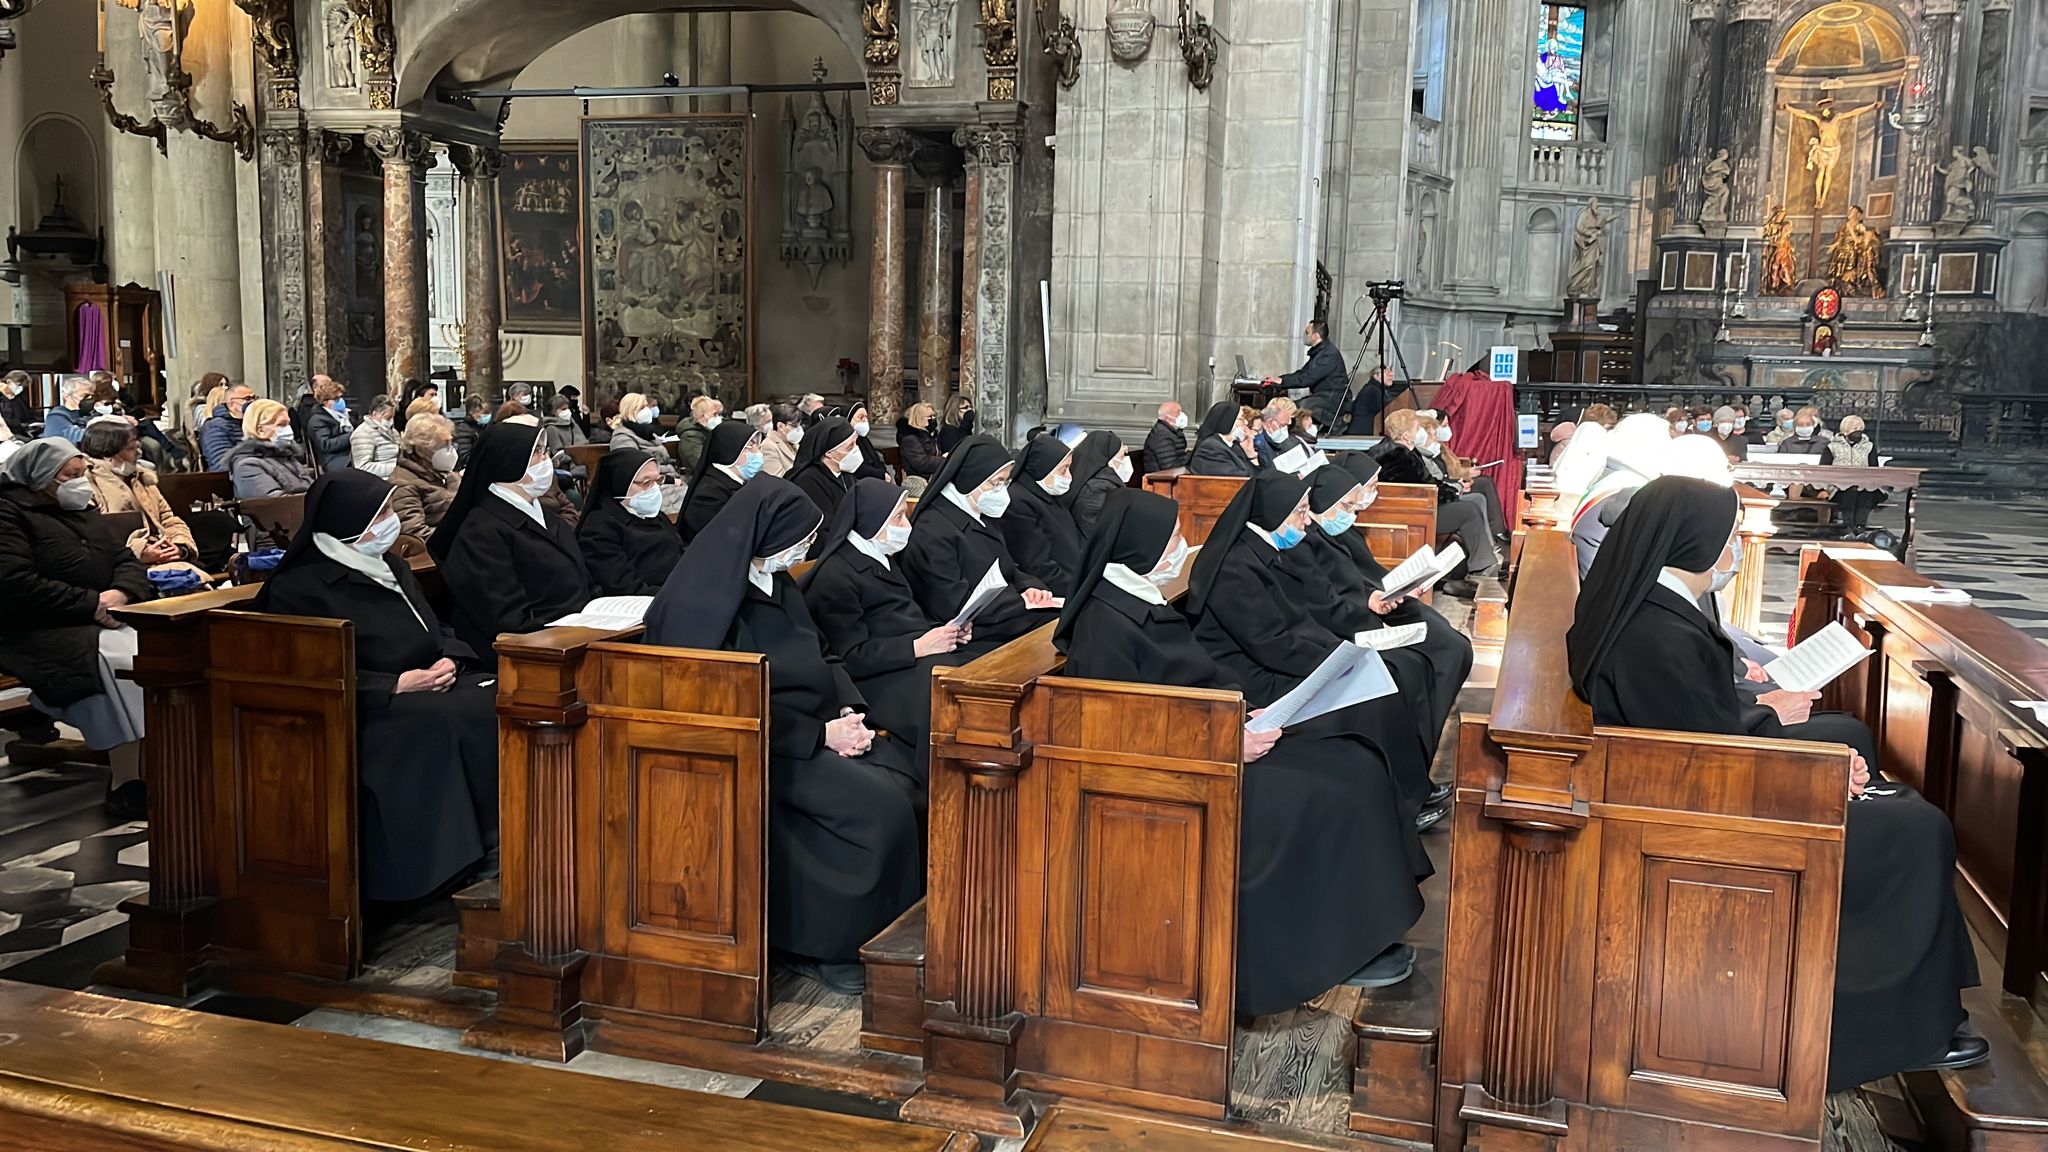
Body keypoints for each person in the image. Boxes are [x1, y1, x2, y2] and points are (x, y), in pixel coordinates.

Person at [1566, 475, 1987, 1090]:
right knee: (1917, 830)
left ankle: (1919, 1007)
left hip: (1682, 783)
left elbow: (1692, 722)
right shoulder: (1654, 632)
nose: (1734, 546)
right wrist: (1798, 754)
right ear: (1692, 543)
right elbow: (1704, 751)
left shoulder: (1649, 605)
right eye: (1727, 536)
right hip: (1697, 815)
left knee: (1854, 747)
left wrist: (1767, 716)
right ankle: (1894, 1029)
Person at [1057, 488, 1428, 1006]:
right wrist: (1229, 740)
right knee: (1325, 792)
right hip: (1192, 771)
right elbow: (1126, 728)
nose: (1181, 548)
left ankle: (1363, 927)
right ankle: (1328, 951)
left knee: (1355, 759)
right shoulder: (1104, 626)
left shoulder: (1134, 596)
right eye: (1170, 541)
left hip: (1223, 733)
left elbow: (1194, 681)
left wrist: (1243, 710)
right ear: (1138, 549)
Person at [644, 479, 924, 994]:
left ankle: (893, 933)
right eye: (796, 540)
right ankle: (824, 946)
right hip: (767, 743)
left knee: (911, 778)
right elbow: (726, 700)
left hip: (822, 725)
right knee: (877, 810)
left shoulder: (779, 583)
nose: (804, 551)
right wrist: (821, 734)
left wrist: (849, 709)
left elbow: (826, 655)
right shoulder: (707, 604)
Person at [252, 471, 499, 902]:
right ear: (349, 520)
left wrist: (450, 656)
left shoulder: (393, 565)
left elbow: (434, 625)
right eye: (381, 512)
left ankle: (501, 836)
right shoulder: (302, 587)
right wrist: (394, 686)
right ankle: (449, 862)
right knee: (444, 720)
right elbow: (307, 671)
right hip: (364, 706)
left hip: (430, 681)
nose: (391, 522)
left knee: (496, 697)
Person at [1181, 474, 1438, 825]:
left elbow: (1299, 620)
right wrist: (1336, 663)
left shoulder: (1268, 551)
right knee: (1370, 700)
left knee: (1384, 680)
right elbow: (1271, 644)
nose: (1306, 519)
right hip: (1254, 676)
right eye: (1300, 512)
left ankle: (1412, 794)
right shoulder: (1235, 567)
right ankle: (1402, 808)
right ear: (1275, 514)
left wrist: (1343, 653)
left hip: (1280, 659)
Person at [0, 438, 153, 813]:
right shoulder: (8, 513)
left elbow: (124, 559)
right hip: (35, 628)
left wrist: (121, 594)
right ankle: (127, 778)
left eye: (81, 474)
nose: (79, 483)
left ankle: (152, 764)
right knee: (120, 659)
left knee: (153, 648)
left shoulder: (81, 509)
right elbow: (13, 582)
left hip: (102, 616)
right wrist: (91, 604)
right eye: (69, 476)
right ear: (42, 477)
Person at [1286, 463, 1472, 771]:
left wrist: (1377, 597)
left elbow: (1353, 579)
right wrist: (1373, 609)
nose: (1353, 511)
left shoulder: (1332, 531)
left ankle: (1425, 746)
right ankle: (1418, 755)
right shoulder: (1306, 541)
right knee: (1430, 658)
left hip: (1371, 608)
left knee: (1452, 645)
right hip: (1353, 624)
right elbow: (1325, 601)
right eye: (1347, 505)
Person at [802, 478, 975, 769]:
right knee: (944, 697)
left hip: (907, 661)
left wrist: (946, 630)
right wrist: (916, 647)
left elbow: (904, 616)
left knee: (978, 671)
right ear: (873, 521)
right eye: (898, 517)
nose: (905, 525)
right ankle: (941, 786)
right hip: (875, 679)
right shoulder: (836, 576)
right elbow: (850, 656)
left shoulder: (881, 554)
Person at [430, 421, 593, 656]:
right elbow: (507, 619)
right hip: (532, 651)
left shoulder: (548, 517)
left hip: (577, 636)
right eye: (537, 452)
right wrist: (573, 633)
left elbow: (583, 581)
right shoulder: (481, 532)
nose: (546, 460)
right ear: (509, 461)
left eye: (545, 451)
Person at [903, 435, 1060, 646]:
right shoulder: (931, 531)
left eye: (1005, 482)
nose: (1002, 491)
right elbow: (953, 604)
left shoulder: (980, 511)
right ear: (970, 478)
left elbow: (1008, 567)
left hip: (1002, 614)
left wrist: (1030, 587)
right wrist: (1020, 602)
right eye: (995, 483)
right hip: (970, 633)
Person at [1375, 409, 1498, 589]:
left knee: (1471, 503)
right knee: (1469, 511)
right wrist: (1454, 489)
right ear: (1407, 435)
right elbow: (1429, 487)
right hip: (1414, 514)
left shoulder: (1392, 449)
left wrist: (1452, 489)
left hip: (1413, 506)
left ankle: (1471, 566)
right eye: (1417, 428)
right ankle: (1481, 568)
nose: (1421, 433)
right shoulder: (1400, 457)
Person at [79, 420, 204, 580]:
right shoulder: (88, 485)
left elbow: (168, 519)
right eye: (131, 449)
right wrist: (140, 553)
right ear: (107, 454)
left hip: (162, 554)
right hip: (124, 568)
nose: (138, 453)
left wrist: (180, 546)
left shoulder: (141, 478)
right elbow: (97, 538)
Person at [577, 449, 683, 596]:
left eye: (657, 481)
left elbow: (683, 553)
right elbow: (623, 586)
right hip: (650, 603)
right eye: (646, 483)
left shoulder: (655, 515)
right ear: (621, 483)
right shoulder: (599, 528)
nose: (655, 489)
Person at [1001, 435, 1085, 597]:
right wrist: (1079, 591)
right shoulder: (1018, 502)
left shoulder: (1048, 493)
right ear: (1044, 467)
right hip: (1054, 590)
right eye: (1063, 470)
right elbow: (1037, 564)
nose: (1068, 476)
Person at [1418, 411, 1507, 542]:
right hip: (1445, 488)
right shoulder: (1426, 452)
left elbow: (1451, 468)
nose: (1443, 431)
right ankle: (1493, 537)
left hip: (1451, 482)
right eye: (1442, 426)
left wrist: (1465, 474)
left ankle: (1495, 534)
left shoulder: (1439, 447)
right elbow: (1440, 476)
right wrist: (1460, 482)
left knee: (1485, 484)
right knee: (1479, 493)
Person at [680, 419, 764, 544]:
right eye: (750, 446)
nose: (757, 453)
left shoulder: (739, 482)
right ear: (731, 449)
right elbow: (719, 540)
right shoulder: (708, 495)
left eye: (758, 446)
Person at [1263, 319, 1349, 429]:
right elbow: (1303, 373)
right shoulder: (1321, 351)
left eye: (1307, 333)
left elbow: (1307, 378)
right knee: (1292, 405)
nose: (1305, 335)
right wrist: (1281, 379)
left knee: (1295, 408)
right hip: (1323, 395)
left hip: (1332, 397)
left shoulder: (1328, 354)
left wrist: (1282, 381)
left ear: (1315, 336)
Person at [389, 411, 461, 541]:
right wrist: (463, 536)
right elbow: (415, 535)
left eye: (450, 444)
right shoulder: (403, 483)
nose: (449, 451)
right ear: (420, 448)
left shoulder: (448, 474)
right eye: (442, 446)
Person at [224, 399, 315, 499]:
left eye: (288, 424)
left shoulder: (286, 457)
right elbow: (274, 503)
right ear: (260, 430)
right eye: (281, 425)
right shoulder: (248, 466)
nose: (288, 429)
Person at [788, 416, 863, 520]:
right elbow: (824, 526)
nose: (855, 450)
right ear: (829, 453)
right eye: (850, 447)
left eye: (856, 443)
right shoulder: (808, 481)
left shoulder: (844, 473)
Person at [1825, 414, 1886, 530]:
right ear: (1845, 430)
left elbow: (1874, 468)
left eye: (1860, 429)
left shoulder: (1869, 446)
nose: (1858, 432)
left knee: (1866, 493)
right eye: (1854, 429)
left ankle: (1860, 527)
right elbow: (1824, 468)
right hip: (1838, 486)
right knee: (1850, 491)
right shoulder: (1832, 447)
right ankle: (1848, 527)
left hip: (1863, 484)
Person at [1064, 430, 1132, 533]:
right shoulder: (1095, 490)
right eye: (1122, 457)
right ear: (1108, 461)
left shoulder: (1099, 483)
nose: (1124, 462)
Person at [1187, 402, 1258, 476]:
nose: (1246, 423)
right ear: (1228, 421)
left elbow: (1256, 474)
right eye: (1241, 419)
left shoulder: (1235, 446)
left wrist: (1251, 454)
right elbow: (1237, 477)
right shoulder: (1210, 447)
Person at [1341, 364, 1413, 436]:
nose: (1391, 374)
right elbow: (1384, 410)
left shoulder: (1374, 388)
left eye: (1390, 372)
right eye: (1386, 372)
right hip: (1362, 433)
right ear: (1376, 376)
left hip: (1364, 431)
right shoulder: (1372, 390)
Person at [199, 381, 256, 469]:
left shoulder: (254, 421)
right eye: (247, 399)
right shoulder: (215, 427)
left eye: (254, 398)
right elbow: (222, 463)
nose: (253, 402)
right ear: (232, 404)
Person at [307, 378, 354, 472]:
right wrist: (352, 436)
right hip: (335, 460)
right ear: (326, 402)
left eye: (341, 397)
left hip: (352, 453)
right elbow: (326, 445)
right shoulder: (318, 420)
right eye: (336, 399)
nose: (341, 401)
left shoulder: (347, 415)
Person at [349, 394, 402, 478]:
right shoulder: (362, 433)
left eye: (393, 417)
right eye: (388, 418)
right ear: (374, 414)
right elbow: (363, 468)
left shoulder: (394, 432)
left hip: (397, 476)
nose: (391, 421)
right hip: (379, 481)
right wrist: (396, 468)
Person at [896, 401, 944, 488]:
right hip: (920, 482)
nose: (933, 419)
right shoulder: (910, 439)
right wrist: (944, 460)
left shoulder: (929, 436)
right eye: (929, 417)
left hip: (933, 478)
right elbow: (921, 463)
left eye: (934, 416)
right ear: (918, 418)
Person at [674, 395, 723, 474]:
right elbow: (699, 464)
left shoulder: (709, 430)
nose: (718, 418)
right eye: (715, 414)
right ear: (703, 415)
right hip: (696, 479)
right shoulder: (690, 436)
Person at [42, 377, 95, 444]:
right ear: (67, 396)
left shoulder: (93, 414)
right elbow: (74, 437)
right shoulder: (56, 416)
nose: (90, 399)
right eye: (85, 396)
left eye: (91, 396)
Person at [1252, 398, 1302, 469]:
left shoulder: (1289, 441)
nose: (1287, 428)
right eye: (1284, 425)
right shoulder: (1258, 444)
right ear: (1270, 423)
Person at [845, 402, 888, 482]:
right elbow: (857, 468)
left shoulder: (864, 439)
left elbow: (876, 460)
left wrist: (884, 472)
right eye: (861, 417)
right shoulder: (846, 441)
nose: (865, 421)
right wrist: (880, 475)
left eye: (866, 417)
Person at [540, 394, 586, 469]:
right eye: (563, 409)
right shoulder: (551, 428)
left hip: (582, 463)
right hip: (566, 466)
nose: (567, 411)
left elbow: (583, 444)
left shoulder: (572, 424)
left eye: (568, 408)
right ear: (553, 411)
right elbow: (558, 454)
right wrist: (574, 460)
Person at [760, 401, 804, 478]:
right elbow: (775, 478)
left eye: (799, 425)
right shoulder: (768, 446)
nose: (799, 430)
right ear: (780, 426)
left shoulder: (793, 442)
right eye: (794, 426)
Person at [1143, 402, 1189, 473]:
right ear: (1167, 418)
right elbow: (1169, 467)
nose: (1182, 415)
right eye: (1178, 412)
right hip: (1161, 480)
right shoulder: (1160, 435)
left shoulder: (1172, 432)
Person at [452, 393, 492, 468]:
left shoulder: (486, 427)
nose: (485, 416)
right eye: (482, 413)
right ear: (472, 413)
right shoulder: (464, 429)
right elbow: (464, 455)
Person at [0, 370, 33, 434]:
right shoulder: (3, 398)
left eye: (23, 387)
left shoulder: (16, 399)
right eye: (19, 385)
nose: (20, 389)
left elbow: (27, 417)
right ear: (8, 381)